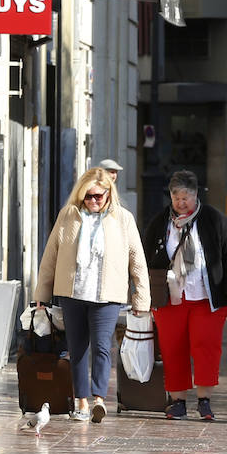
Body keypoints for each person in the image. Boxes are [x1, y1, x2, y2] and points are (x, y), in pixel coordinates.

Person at [34, 166, 150, 422]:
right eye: (89, 196)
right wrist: (41, 295)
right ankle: (81, 401)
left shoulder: (123, 219)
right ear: (80, 195)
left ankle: (99, 399)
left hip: (107, 295)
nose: (94, 200)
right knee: (77, 349)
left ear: (110, 194)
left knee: (101, 347)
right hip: (73, 293)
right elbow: (50, 257)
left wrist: (141, 298)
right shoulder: (68, 216)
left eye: (99, 195)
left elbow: (136, 259)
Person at [143, 170, 227, 421]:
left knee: (205, 346)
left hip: (206, 296)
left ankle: (204, 400)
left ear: (196, 195)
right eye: (176, 197)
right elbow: (145, 254)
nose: (181, 203)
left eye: (186, 197)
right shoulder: (160, 221)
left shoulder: (212, 219)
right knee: (172, 347)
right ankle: (177, 402)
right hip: (170, 297)